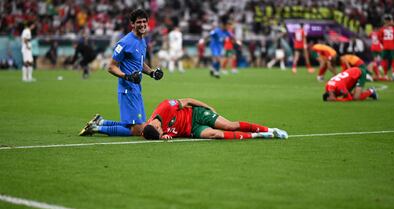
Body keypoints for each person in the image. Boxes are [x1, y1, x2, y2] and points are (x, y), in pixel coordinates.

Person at [79, 9, 164, 137]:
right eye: (139, 22)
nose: (142, 24)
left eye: (144, 22)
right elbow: (111, 67)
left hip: (136, 87)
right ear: (132, 24)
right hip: (127, 89)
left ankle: (100, 122)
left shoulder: (142, 40)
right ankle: (96, 128)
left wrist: (151, 73)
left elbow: (139, 63)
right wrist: (127, 76)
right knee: (139, 130)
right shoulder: (125, 42)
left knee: (134, 125)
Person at [142, 98, 288, 140]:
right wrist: (163, 137)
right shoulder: (152, 130)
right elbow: (148, 133)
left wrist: (208, 107)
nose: (163, 135)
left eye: (161, 133)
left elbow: (188, 100)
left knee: (229, 126)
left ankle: (271, 129)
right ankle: (258, 135)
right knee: (215, 134)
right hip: (192, 130)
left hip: (196, 114)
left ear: (156, 126)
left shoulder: (166, 107)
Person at [378, 14, 394, 81]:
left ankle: (385, 74)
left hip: (385, 46)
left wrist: (384, 43)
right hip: (393, 46)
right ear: (391, 20)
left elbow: (379, 37)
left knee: (384, 60)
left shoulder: (382, 28)